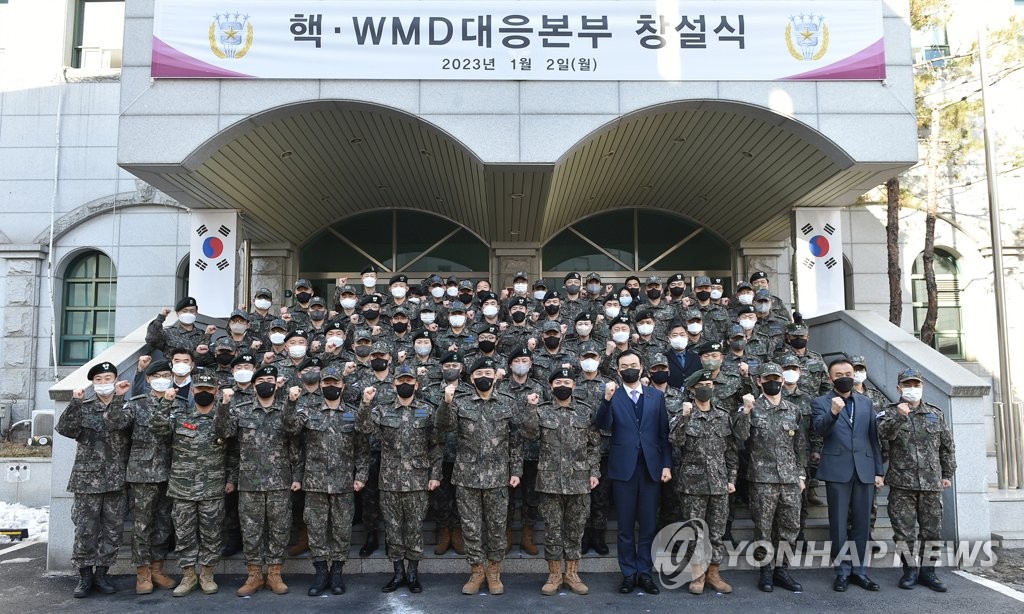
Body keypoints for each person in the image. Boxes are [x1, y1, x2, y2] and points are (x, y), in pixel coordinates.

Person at [435, 357, 523, 596]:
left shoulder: (508, 403)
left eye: (488, 372)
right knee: (471, 528)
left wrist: (516, 470)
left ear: (495, 376)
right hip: (467, 477)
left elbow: (515, 441)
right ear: (471, 378)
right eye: (479, 373)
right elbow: (444, 427)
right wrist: (446, 402)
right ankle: (476, 571)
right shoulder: (460, 403)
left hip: (497, 477)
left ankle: (494, 572)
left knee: (496, 527)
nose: (484, 377)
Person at [593, 349, 671, 595]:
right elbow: (602, 425)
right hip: (623, 469)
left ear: (641, 366)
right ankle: (628, 573)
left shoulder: (655, 396)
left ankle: (645, 573)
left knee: (648, 525)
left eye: (634, 364)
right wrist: (606, 400)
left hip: (651, 469)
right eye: (624, 365)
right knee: (625, 527)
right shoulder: (613, 396)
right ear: (618, 370)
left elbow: (663, 434)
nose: (630, 368)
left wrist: (666, 464)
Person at [359, 366, 441, 594]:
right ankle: (397, 574)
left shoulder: (427, 410)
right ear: (394, 385)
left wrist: (435, 475)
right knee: (394, 530)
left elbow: (435, 446)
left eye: (409, 380)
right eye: (401, 380)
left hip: (417, 481)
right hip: (390, 481)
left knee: (414, 528)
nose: (405, 384)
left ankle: (413, 574)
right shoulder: (383, 410)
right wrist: (365, 404)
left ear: (416, 385)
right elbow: (363, 428)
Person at [222, 365, 302, 597]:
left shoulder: (286, 409)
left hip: (279, 481)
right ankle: (254, 574)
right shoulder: (241, 410)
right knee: (251, 530)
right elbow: (226, 436)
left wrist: (297, 476)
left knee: (279, 529)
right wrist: (225, 405)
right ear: (254, 384)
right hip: (249, 483)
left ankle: (275, 574)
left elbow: (294, 442)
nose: (266, 383)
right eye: (262, 379)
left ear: (277, 383)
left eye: (271, 379)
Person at [55, 362, 133, 599]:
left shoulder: (127, 406)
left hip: (116, 480)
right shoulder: (84, 407)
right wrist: (75, 402)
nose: (103, 384)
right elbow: (64, 428)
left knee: (112, 530)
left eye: (107, 378)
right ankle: (85, 575)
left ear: (116, 379)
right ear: (92, 383)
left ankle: (102, 572)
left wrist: (118, 398)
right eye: (98, 380)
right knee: (85, 530)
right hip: (87, 481)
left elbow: (117, 423)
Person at [149, 371, 230, 597]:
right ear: (193, 392)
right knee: (184, 535)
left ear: (215, 392)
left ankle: (207, 574)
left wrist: (224, 405)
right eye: (200, 390)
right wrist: (166, 402)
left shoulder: (222, 417)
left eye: (209, 390)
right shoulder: (181, 417)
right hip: (182, 488)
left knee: (211, 534)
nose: (204, 393)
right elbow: (157, 427)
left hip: (212, 488)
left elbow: (228, 435)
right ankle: (188, 576)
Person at [523, 368, 600, 596]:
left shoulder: (585, 412)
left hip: (579, 480)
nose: (563, 385)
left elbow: (594, 446)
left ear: (574, 386)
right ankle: (555, 574)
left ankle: (572, 574)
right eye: (558, 382)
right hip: (550, 480)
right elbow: (529, 434)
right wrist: (530, 408)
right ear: (551, 387)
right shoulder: (542, 411)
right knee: (553, 530)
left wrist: (594, 472)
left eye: (567, 381)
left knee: (575, 530)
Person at [877, 368, 956, 592]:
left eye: (916, 384)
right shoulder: (889, 412)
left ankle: (928, 572)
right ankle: (909, 571)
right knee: (904, 531)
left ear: (922, 386)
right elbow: (882, 435)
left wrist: (947, 473)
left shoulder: (935, 413)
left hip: (931, 483)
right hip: (902, 483)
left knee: (932, 531)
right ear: (898, 388)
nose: (912, 389)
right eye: (907, 385)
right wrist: (900, 417)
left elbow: (947, 446)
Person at [811, 358, 884, 592]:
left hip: (864, 469)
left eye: (848, 373)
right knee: (839, 525)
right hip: (837, 469)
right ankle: (842, 571)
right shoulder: (820, 402)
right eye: (839, 373)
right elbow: (819, 430)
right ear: (830, 378)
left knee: (862, 524)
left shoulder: (866, 403)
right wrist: (833, 412)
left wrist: (879, 471)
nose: (845, 376)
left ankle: (859, 571)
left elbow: (874, 438)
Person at [294, 366, 368, 596]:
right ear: (320, 386)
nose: (331, 387)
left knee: (341, 529)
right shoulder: (308, 412)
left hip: (344, 482)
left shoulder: (353, 413)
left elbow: (362, 450)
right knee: (316, 528)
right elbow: (291, 435)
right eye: (326, 384)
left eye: (335, 383)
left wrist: (361, 476)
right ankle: (320, 571)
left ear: (342, 386)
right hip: (315, 481)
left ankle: (337, 571)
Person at [734, 363, 807, 594]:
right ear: (759, 381)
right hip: (762, 479)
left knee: (790, 527)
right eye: (768, 379)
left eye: (776, 378)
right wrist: (745, 411)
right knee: (764, 528)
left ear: (783, 381)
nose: (773, 382)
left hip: (790, 479)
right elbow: (740, 437)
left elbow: (800, 446)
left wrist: (802, 473)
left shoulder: (793, 410)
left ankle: (782, 570)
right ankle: (765, 571)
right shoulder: (751, 408)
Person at [671, 370, 739, 595]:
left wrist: (731, 479)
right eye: (701, 384)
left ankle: (714, 574)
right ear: (692, 389)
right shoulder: (682, 414)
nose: (706, 387)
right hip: (693, 484)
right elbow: (675, 442)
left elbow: (731, 451)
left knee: (717, 532)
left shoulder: (723, 415)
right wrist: (684, 417)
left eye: (709, 384)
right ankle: (697, 575)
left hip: (719, 483)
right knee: (696, 532)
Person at [124, 360, 176, 594]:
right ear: (148, 379)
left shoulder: (180, 404)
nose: (162, 379)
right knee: (142, 525)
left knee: (164, 524)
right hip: (142, 473)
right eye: (157, 375)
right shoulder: (136, 405)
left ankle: (157, 568)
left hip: (170, 472)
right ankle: (142, 572)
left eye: (167, 374)